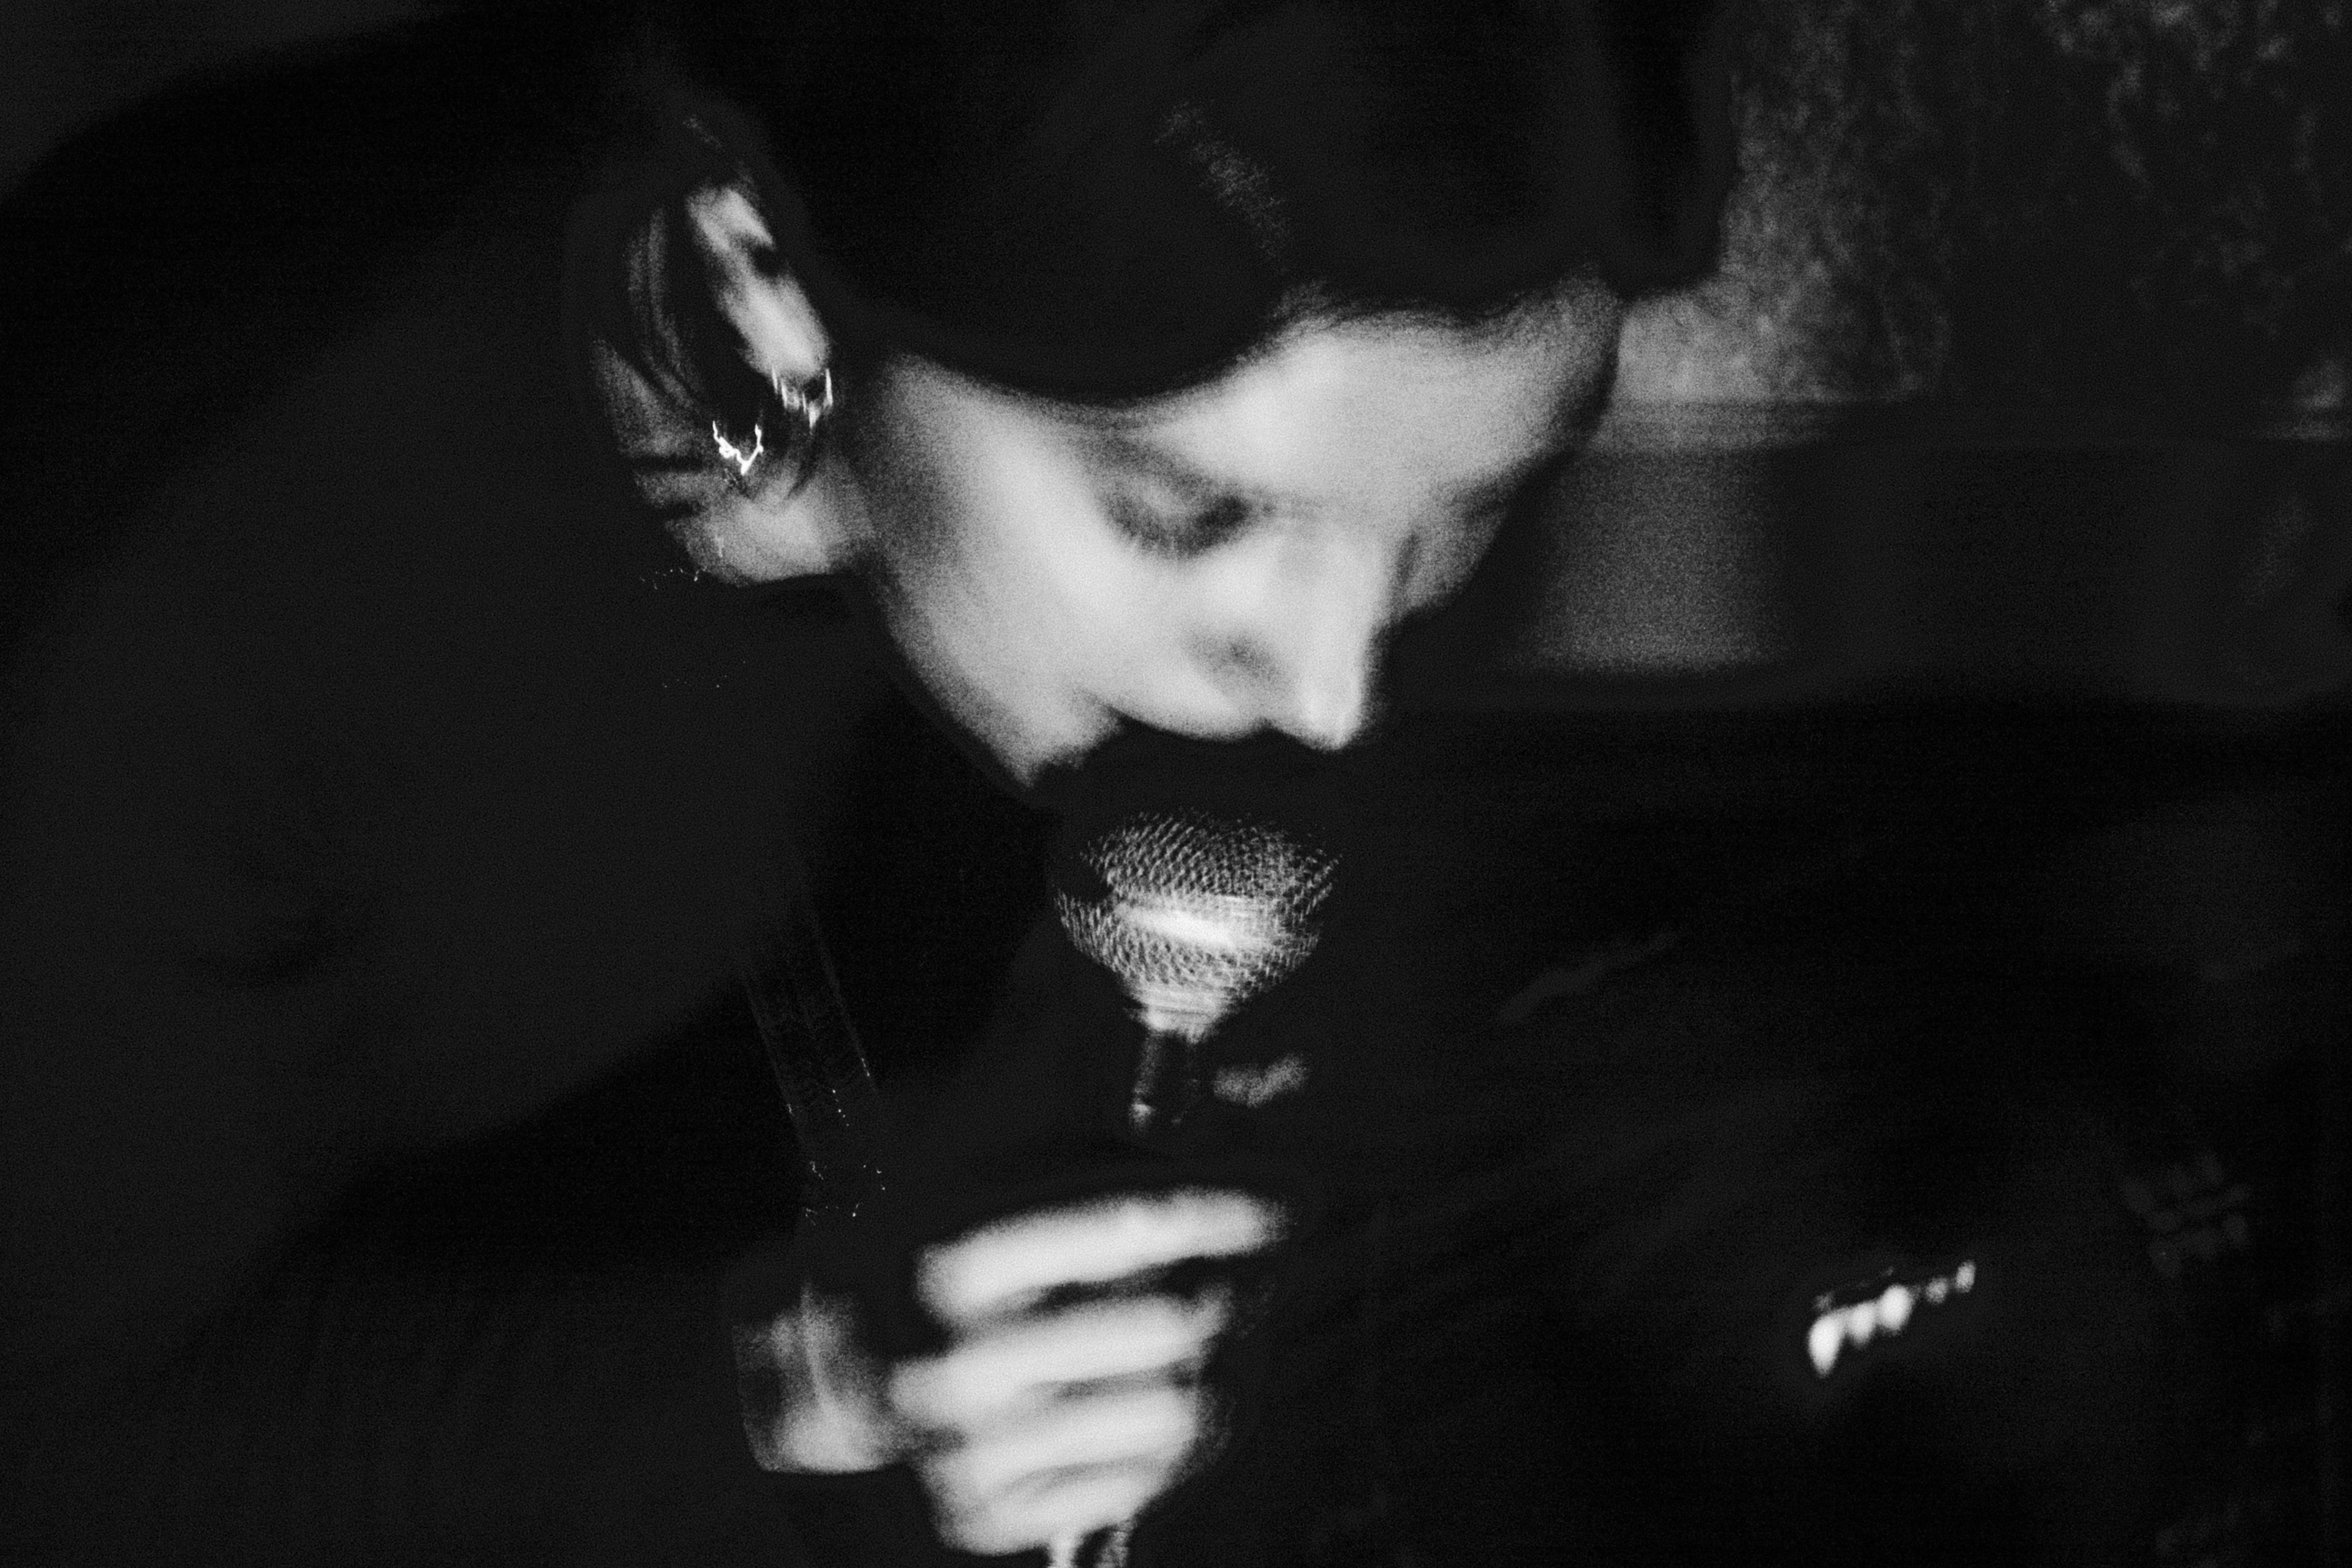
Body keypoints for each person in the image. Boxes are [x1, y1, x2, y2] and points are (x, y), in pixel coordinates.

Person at [0, 1, 1730, 1562]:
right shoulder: (176, 565)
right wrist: (811, 1382)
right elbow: (56, 1446)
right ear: (751, 286)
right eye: (1186, 516)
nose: (1333, 691)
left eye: (1464, 516)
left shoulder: (1027, 470)